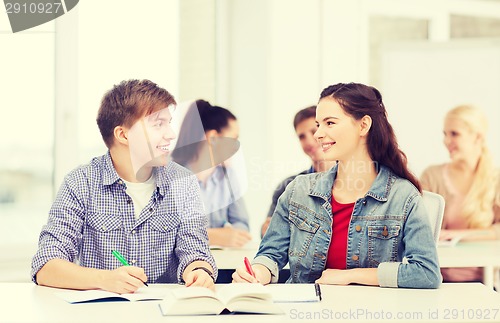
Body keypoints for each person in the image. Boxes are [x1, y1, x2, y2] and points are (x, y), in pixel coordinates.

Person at [232, 82, 442, 289]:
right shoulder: (299, 190)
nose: (318, 134)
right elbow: (270, 255)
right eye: (318, 124)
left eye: (329, 123)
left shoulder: (403, 196)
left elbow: (425, 273)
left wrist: (351, 276)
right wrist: (257, 272)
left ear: (363, 125)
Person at [31, 80, 217, 293]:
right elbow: (46, 265)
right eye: (158, 124)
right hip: (101, 312)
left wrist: (199, 271)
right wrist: (104, 279)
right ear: (122, 135)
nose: (170, 134)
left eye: (169, 123)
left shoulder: (183, 182)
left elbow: (195, 251)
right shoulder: (80, 183)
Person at [420, 104, 500, 282]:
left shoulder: (496, 180)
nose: (447, 141)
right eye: (445, 134)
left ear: (477, 137)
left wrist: (458, 235)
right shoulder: (432, 176)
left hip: (485, 281)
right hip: (438, 279)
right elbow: (419, 226)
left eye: (454, 134)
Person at [171, 100, 251, 248]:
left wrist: (231, 234)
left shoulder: (228, 177)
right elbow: (161, 232)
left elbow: (242, 224)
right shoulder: (170, 176)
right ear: (213, 138)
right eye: (233, 139)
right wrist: (210, 236)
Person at [260, 106, 336, 238]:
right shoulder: (288, 186)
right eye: (302, 136)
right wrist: (266, 229)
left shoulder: (351, 181)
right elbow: (269, 236)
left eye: (313, 131)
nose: (309, 141)